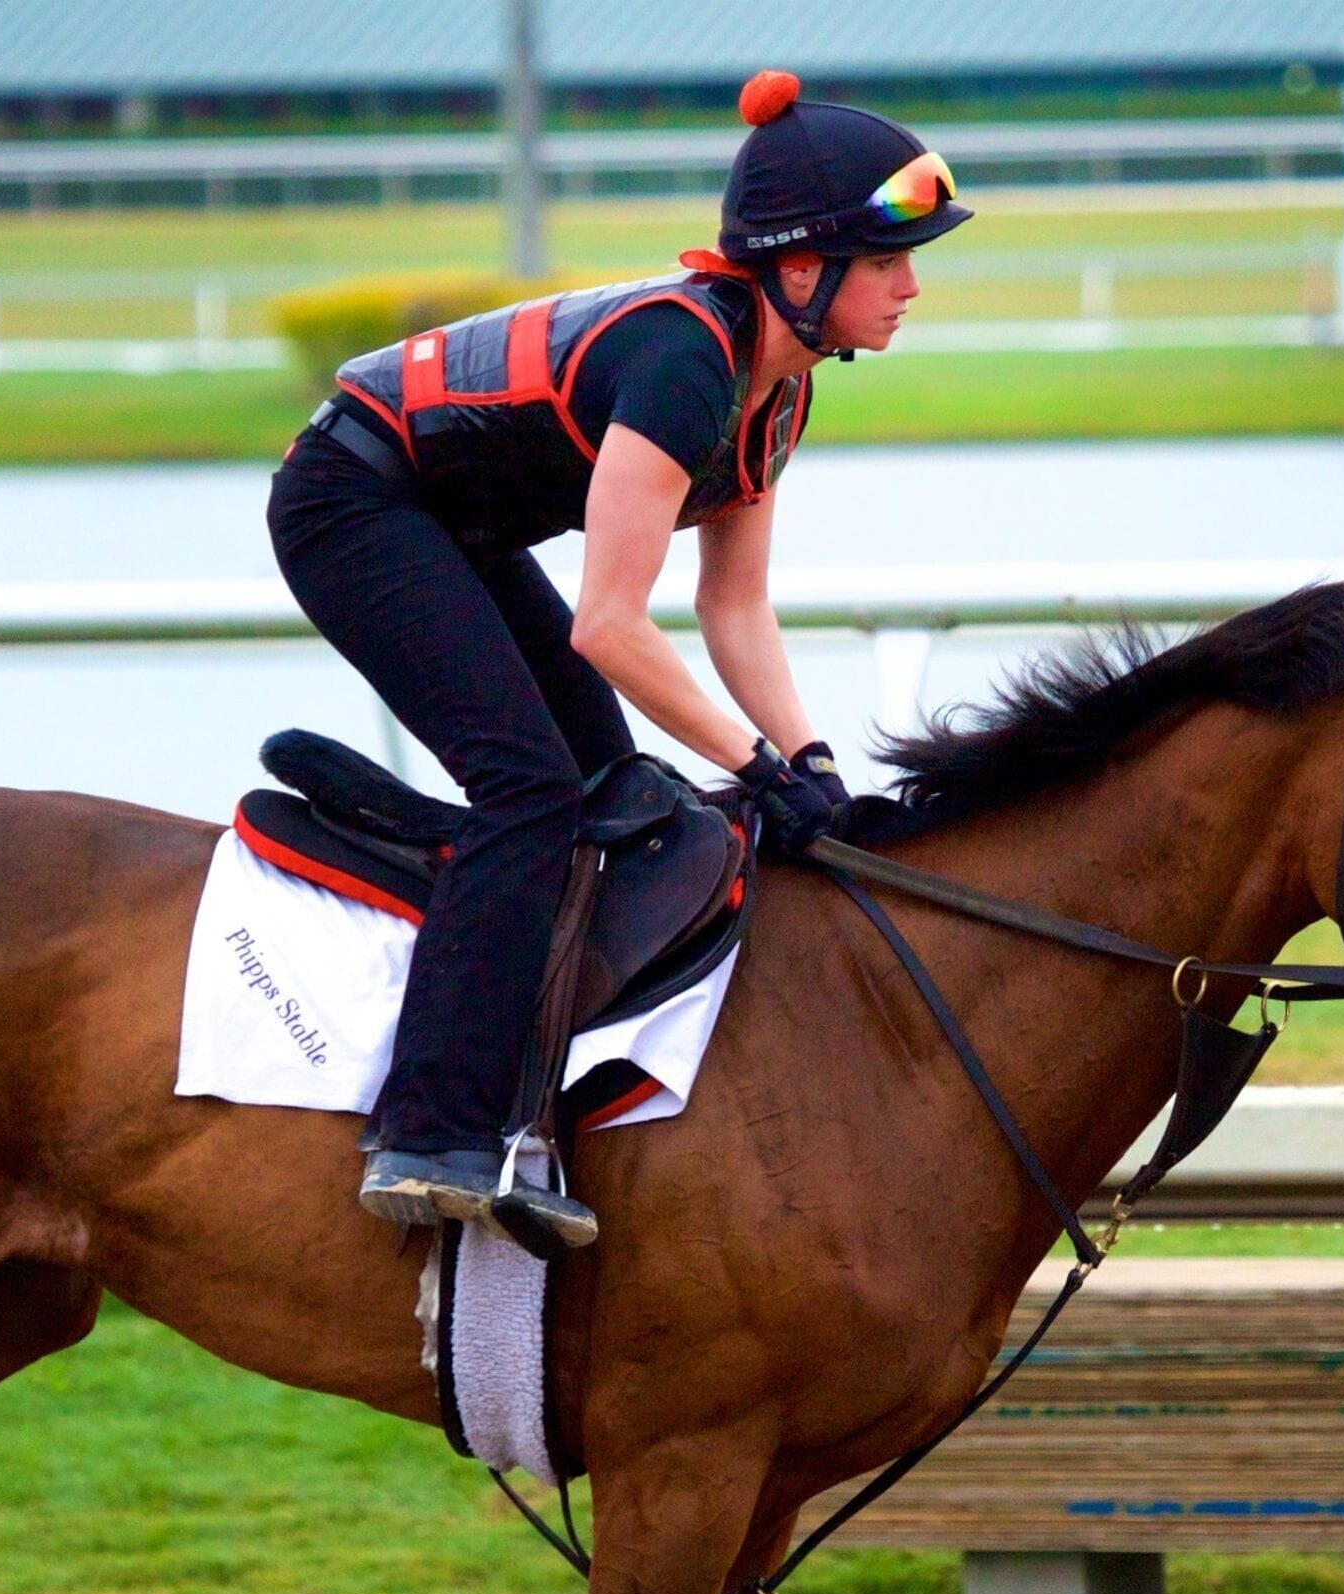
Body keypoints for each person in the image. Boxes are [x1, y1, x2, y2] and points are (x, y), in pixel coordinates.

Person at [268, 69, 970, 1250]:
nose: (910, 286)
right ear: (802, 271)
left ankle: (541, 1103)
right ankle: (427, 1130)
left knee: (615, 789)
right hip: (352, 501)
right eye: (887, 260)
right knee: (534, 787)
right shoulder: (686, 361)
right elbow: (610, 625)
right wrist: (756, 766)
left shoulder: (778, 393)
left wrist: (811, 764)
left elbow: (734, 608)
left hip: (455, 525)